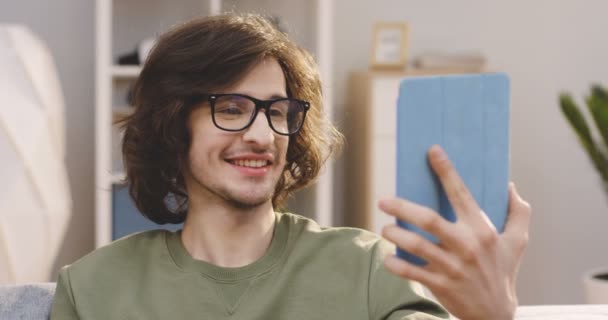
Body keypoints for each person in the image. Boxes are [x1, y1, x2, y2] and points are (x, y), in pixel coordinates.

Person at [50, 14, 531, 320]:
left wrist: (492, 317)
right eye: (233, 109)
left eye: (277, 112)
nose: (262, 134)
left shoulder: (368, 268)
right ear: (175, 126)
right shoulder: (93, 288)